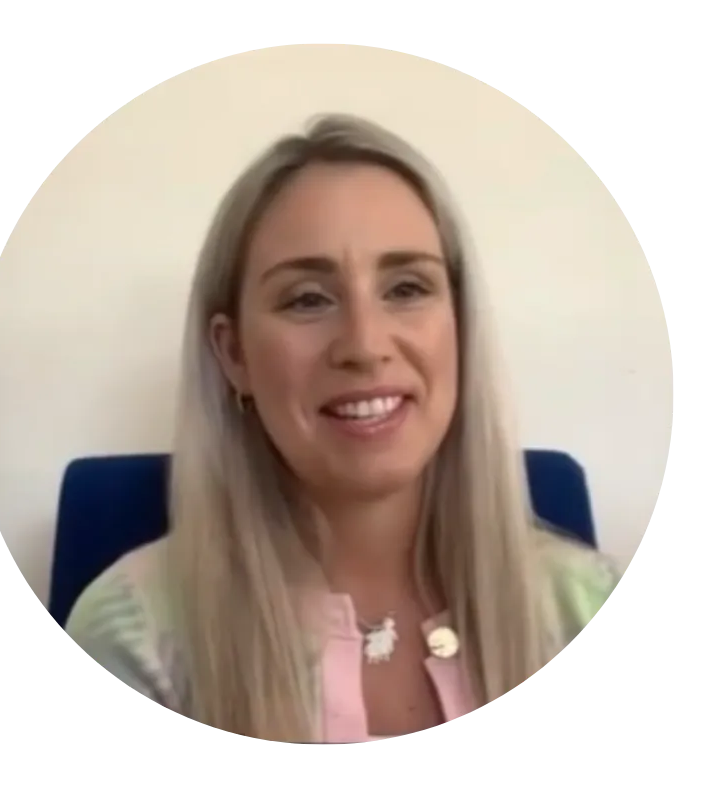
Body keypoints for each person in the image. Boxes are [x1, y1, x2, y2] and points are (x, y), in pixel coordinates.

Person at [64, 113, 623, 744]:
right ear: (234, 354)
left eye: (407, 288)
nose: (364, 344)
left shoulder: (585, 604)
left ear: (460, 326)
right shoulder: (132, 638)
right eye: (307, 299)